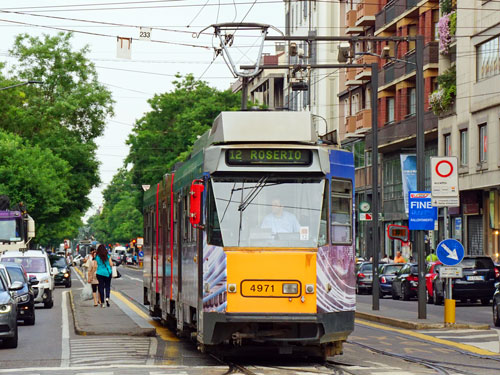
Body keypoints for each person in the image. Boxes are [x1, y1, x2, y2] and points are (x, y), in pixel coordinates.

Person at [95, 244, 113, 308]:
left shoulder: (97, 257)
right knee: (107, 286)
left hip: (99, 273)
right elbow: (111, 264)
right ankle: (107, 298)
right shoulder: (108, 256)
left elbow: (95, 265)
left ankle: (102, 302)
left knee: (101, 287)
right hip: (108, 273)